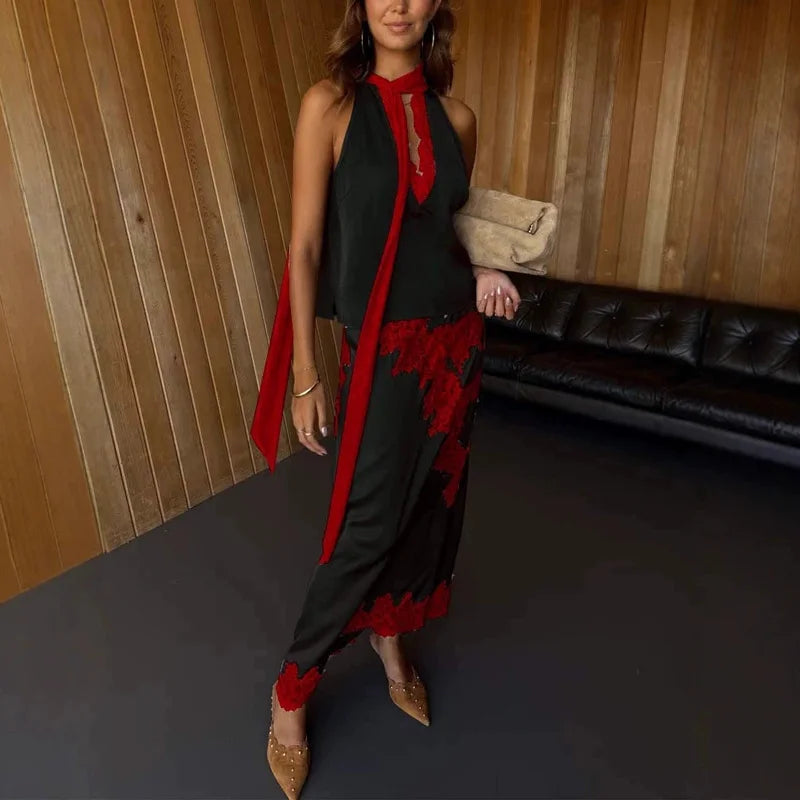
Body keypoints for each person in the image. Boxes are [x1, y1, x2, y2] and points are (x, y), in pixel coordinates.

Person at [252, 1, 521, 797]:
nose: (398, 3)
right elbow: (304, 247)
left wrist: (485, 273)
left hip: (456, 348)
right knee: (368, 523)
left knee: (431, 510)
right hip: (382, 353)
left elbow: (445, 234)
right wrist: (308, 371)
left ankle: (390, 637)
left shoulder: (459, 119)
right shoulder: (328, 105)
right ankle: (291, 690)